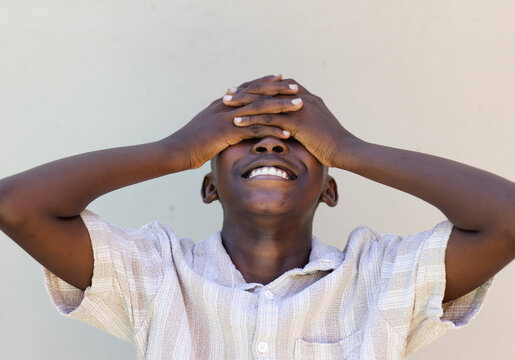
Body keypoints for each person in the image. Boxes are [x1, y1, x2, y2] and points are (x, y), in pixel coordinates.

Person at [0, 74, 513, 359]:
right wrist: (176, 148)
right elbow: (16, 206)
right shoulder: (156, 273)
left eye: (297, 141)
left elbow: (507, 219)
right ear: (209, 186)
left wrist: (348, 146)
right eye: (245, 137)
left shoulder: (381, 278)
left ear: (329, 189)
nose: (270, 142)